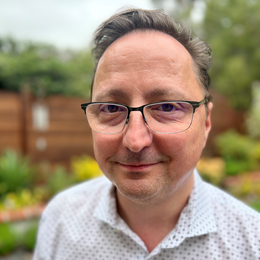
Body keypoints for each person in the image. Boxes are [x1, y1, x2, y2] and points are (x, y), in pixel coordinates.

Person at [33, 8, 260, 260]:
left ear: (205, 121)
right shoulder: (59, 221)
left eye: (166, 107)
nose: (135, 141)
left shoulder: (251, 244)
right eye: (111, 108)